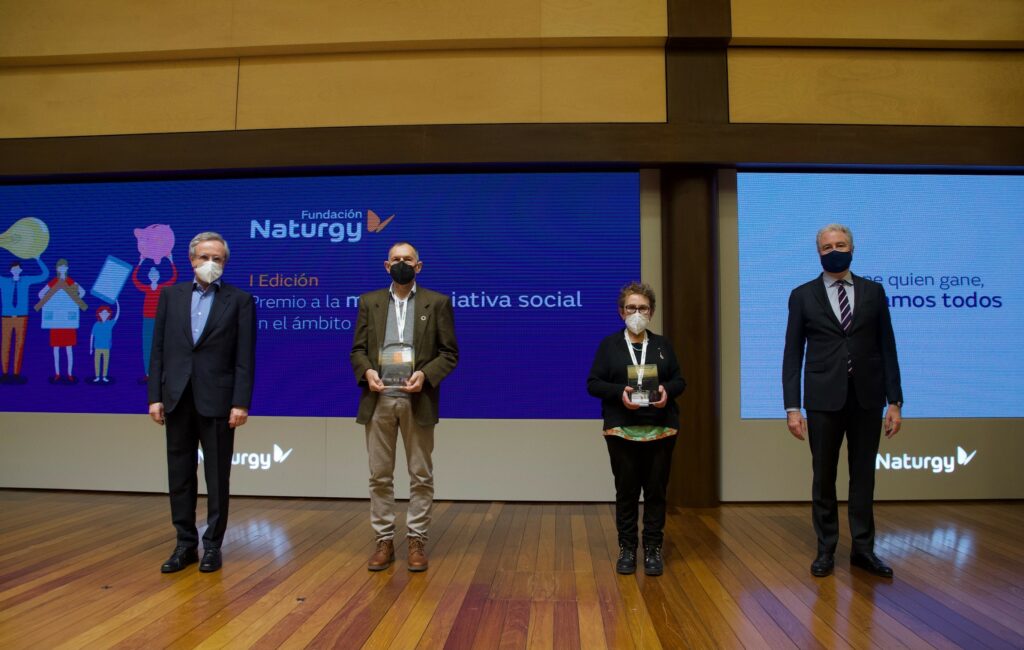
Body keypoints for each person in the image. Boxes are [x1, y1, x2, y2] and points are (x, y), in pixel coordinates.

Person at [783, 224, 903, 579]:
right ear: (817, 252)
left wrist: (894, 401)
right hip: (822, 399)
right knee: (824, 477)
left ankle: (864, 550)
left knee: (863, 476)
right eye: (827, 246)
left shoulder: (874, 292)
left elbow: (888, 348)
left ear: (853, 247)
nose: (834, 249)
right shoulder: (802, 295)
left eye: (841, 244)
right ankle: (826, 549)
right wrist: (793, 407)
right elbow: (792, 354)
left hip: (868, 398)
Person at [147, 232, 256, 574]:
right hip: (177, 397)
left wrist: (240, 402)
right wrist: (155, 396)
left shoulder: (239, 301)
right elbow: (159, 351)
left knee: (217, 476)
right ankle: (184, 544)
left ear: (225, 263)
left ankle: (212, 546)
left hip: (219, 401)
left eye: (218, 259)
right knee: (179, 475)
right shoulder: (170, 296)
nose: (211, 264)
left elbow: (245, 358)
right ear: (191, 260)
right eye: (205, 257)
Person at [350, 242, 458, 573]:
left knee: (420, 475)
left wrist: (425, 375)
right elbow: (357, 350)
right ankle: (383, 540)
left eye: (407, 259)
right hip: (379, 399)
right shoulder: (370, 302)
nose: (401, 264)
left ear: (419, 266)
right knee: (379, 476)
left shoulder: (437, 302)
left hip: (417, 399)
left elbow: (449, 353)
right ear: (386, 266)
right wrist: (367, 371)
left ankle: (416, 539)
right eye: (396, 259)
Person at [587, 282, 686, 576]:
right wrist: (621, 393)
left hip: (661, 429)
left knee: (655, 492)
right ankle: (627, 549)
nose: (637, 313)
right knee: (626, 492)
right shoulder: (609, 346)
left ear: (651, 312)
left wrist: (667, 391)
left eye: (642, 308)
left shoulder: (663, 346)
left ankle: (653, 549)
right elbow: (593, 384)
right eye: (631, 308)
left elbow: (680, 381)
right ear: (621, 312)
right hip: (622, 429)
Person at [35, 258, 87, 383]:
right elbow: (40, 294)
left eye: (64, 266)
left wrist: (71, 300)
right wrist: (53, 300)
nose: (62, 268)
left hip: (68, 322)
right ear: (57, 269)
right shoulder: (53, 282)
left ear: (67, 268)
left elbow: (83, 292)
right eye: (60, 267)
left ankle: (69, 374)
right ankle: (57, 373)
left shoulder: (70, 281)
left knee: (69, 348)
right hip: (56, 321)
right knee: (56, 348)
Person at [0, 258, 48, 384]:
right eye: (13, 269)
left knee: (19, 346)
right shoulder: (3, 281)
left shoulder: (26, 280)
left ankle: (16, 374)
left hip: (22, 318)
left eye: (18, 269)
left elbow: (45, 275)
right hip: (6, 318)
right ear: (10, 270)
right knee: (5, 346)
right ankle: (4, 373)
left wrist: (38, 259)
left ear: (21, 270)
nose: (16, 271)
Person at [133, 258, 178, 383]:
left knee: (162, 346)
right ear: (148, 276)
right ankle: (148, 373)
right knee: (147, 347)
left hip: (161, 319)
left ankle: (162, 373)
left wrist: (171, 261)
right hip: (147, 320)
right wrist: (140, 262)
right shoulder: (146, 288)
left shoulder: (163, 288)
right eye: (151, 274)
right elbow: (136, 280)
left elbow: (173, 278)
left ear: (158, 276)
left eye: (155, 274)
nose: (153, 276)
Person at [89, 301, 120, 383]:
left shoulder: (109, 323)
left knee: (106, 362)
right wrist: (91, 348)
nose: (104, 314)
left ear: (108, 314)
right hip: (97, 347)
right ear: (99, 314)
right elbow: (92, 336)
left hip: (106, 347)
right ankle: (97, 377)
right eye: (102, 313)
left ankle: (104, 376)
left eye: (106, 313)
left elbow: (117, 316)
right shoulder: (96, 324)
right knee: (97, 362)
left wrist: (117, 304)